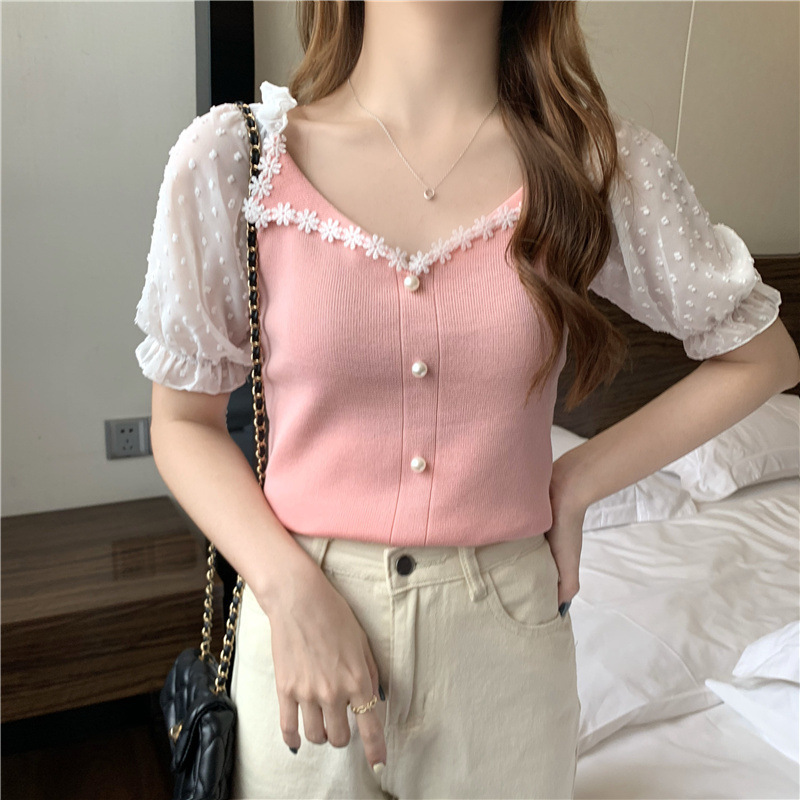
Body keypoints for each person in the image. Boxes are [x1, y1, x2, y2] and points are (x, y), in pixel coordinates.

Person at [133, 2, 799, 798]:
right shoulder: (236, 161)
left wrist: (577, 479)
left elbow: (760, 357)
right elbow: (183, 422)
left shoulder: (594, 167)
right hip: (302, 648)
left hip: (507, 654)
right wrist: (288, 587)